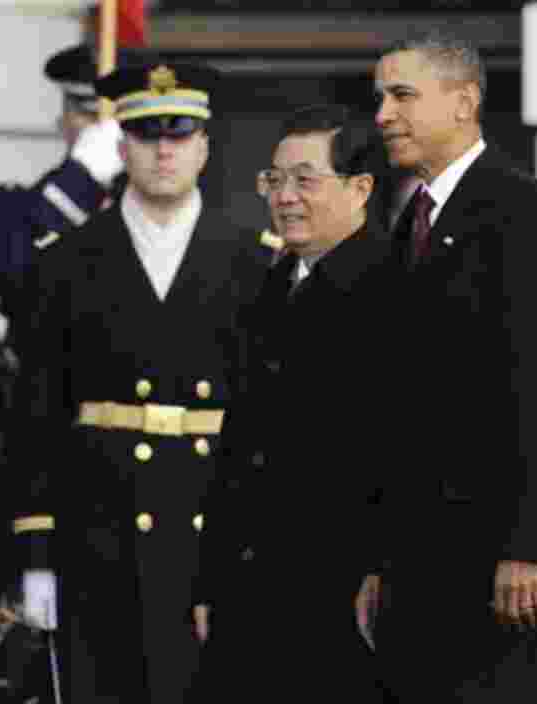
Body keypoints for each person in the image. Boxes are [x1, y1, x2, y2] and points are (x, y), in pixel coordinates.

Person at [359, 33, 537, 702]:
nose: (383, 115)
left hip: (499, 559)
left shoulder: (525, 212)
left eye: (402, 96)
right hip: (425, 563)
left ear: (464, 101)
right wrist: (381, 559)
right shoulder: (408, 225)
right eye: (380, 99)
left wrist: (529, 545)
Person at [2, 61, 271, 704]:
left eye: (180, 134)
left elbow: (270, 425)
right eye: (147, 134)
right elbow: (37, 414)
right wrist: (36, 554)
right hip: (99, 534)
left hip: (212, 536)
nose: (164, 150)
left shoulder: (254, 261)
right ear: (121, 146)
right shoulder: (65, 262)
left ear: (205, 146)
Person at [190, 103, 397, 702]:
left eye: (305, 180)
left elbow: (410, 448)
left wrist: (386, 568)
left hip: (342, 596)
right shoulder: (271, 286)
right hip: (252, 593)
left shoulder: (397, 287)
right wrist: (211, 578)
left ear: (360, 189)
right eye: (274, 180)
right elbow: (238, 450)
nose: (284, 197)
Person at [0, 44, 144, 353]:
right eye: (88, 114)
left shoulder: (164, 210)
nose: (101, 129)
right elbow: (22, 289)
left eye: (115, 119)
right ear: (64, 121)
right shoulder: (10, 209)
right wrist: (80, 181)